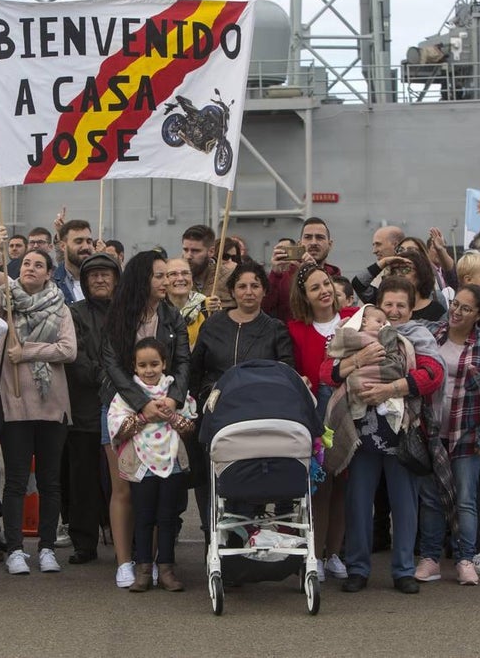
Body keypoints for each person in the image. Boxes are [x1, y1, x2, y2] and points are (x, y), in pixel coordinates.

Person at [321, 277, 445, 594]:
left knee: (405, 506)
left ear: (411, 309)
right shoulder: (354, 333)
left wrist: (390, 389)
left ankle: (403, 571)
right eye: (388, 304)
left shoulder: (418, 336)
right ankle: (358, 569)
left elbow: (433, 375)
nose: (394, 311)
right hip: (360, 435)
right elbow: (326, 373)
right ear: (377, 307)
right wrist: (356, 361)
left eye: (401, 305)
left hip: (402, 434)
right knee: (358, 504)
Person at [0, 227, 77, 575]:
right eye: (25, 264)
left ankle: (48, 547)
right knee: (16, 481)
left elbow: (68, 350)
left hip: (52, 406)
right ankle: (15, 549)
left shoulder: (60, 307)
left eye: (38, 264)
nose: (30, 268)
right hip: (13, 404)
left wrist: (27, 352)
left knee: (51, 482)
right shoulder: (4, 303)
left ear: (49, 273)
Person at [101, 251, 190, 588]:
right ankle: (125, 562)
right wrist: (141, 404)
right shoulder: (118, 315)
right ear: (142, 279)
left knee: (157, 487)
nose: (168, 281)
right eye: (159, 276)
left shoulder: (173, 316)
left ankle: (151, 562)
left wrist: (173, 399)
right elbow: (112, 364)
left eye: (168, 275)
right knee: (125, 487)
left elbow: (182, 362)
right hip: (121, 409)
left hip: (164, 410)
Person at [189, 262, 293, 537]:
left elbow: (286, 371)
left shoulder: (275, 328)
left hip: (256, 416)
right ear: (232, 291)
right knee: (212, 479)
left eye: (255, 286)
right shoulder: (212, 325)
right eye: (242, 286)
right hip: (215, 414)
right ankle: (213, 537)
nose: (249, 291)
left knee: (247, 478)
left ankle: (245, 537)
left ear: (264, 291)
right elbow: (195, 370)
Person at [415, 284, 480, 586]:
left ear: (479, 315)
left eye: (466, 308)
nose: (456, 312)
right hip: (432, 432)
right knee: (431, 499)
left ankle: (465, 558)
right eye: (456, 305)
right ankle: (430, 559)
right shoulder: (432, 335)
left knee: (466, 500)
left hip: (467, 434)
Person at [107, 338, 193, 593]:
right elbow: (119, 429)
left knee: (167, 517)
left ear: (164, 364)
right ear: (134, 367)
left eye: (154, 364)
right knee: (143, 517)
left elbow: (189, 427)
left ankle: (166, 570)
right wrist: (145, 415)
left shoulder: (175, 392)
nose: (149, 370)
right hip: (141, 464)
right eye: (142, 365)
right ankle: (144, 571)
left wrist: (171, 415)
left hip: (171, 461)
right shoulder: (126, 395)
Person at [286, 263, 347, 580]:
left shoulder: (354, 316)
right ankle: (316, 554)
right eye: (315, 288)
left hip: (351, 413)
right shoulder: (296, 329)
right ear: (305, 297)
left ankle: (335, 553)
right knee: (320, 487)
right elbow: (294, 370)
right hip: (315, 417)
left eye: (326, 283)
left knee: (345, 488)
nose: (324, 291)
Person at [64, 252, 121, 565]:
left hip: (122, 406)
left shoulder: (128, 312)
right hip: (85, 405)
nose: (100, 279)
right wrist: (107, 377)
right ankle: (84, 542)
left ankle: (123, 534)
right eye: (93, 275)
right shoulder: (74, 313)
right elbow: (76, 356)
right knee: (83, 479)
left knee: (120, 477)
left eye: (105, 274)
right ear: (85, 281)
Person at [265, 217, 341, 322]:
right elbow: (263, 310)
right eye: (308, 237)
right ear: (300, 244)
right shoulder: (282, 278)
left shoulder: (336, 278)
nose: (313, 242)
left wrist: (315, 272)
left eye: (320, 237)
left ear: (330, 244)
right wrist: (275, 275)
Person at [165, 257, 208, 348]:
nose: (180, 278)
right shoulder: (156, 310)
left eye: (185, 273)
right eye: (173, 274)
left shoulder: (208, 306)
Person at [52, 219, 94, 306]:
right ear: (63, 246)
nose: (86, 247)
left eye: (89, 242)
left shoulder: (103, 280)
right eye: (79, 242)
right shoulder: (52, 285)